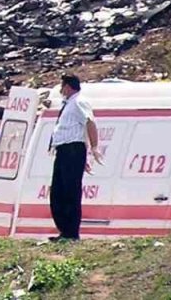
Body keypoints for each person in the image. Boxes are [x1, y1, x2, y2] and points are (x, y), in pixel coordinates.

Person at [49, 74, 102, 242]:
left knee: (71, 192)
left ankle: (71, 233)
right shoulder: (68, 105)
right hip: (64, 150)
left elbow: (89, 122)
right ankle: (64, 230)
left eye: (62, 86)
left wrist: (93, 147)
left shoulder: (79, 102)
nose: (61, 91)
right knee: (58, 192)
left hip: (72, 149)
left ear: (68, 86)